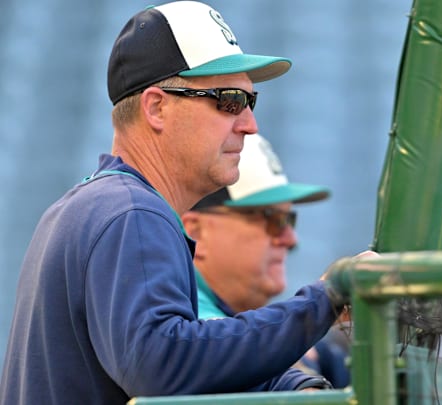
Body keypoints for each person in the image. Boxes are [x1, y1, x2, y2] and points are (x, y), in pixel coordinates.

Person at [0, 2, 374, 404]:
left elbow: (185, 359)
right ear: (157, 107)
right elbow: (162, 362)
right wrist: (324, 299)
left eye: (252, 101)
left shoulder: (96, 205)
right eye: (229, 100)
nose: (250, 124)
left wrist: (299, 378)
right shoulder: (132, 212)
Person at [182, 134, 351, 388]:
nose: (291, 239)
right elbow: (226, 351)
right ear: (196, 233)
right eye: (273, 219)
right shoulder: (184, 312)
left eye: (289, 220)